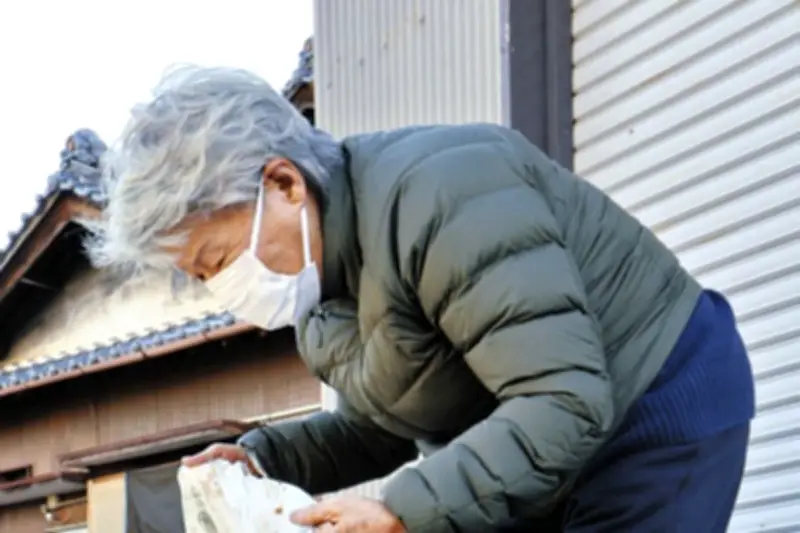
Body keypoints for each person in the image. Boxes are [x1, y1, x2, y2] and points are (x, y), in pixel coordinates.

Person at [87, 66, 756, 532]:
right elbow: (381, 427)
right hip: (549, 436)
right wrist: (264, 454)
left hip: (652, 405)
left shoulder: (441, 196)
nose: (227, 293)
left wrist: (405, 506)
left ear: (285, 185)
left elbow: (565, 399)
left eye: (219, 261)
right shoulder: (324, 299)